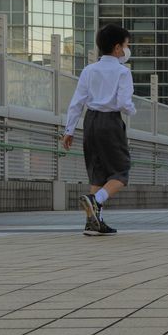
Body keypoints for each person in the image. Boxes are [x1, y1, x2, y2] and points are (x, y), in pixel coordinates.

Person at [61, 23, 135, 238]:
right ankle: (96, 200)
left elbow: (77, 102)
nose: (127, 49)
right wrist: (132, 109)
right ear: (117, 48)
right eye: (126, 45)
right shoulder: (123, 72)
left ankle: (93, 223)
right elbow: (123, 102)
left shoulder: (89, 70)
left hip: (90, 121)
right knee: (121, 172)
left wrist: (69, 130)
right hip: (110, 122)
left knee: (98, 174)